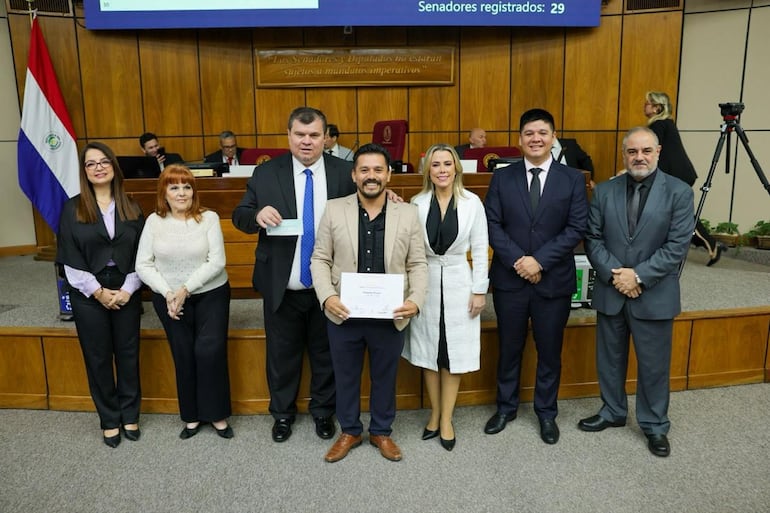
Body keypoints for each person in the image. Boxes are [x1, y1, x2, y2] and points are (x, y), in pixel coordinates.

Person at [231, 107, 356, 444]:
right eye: (300, 135)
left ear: (325, 137)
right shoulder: (266, 174)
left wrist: (388, 197)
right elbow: (238, 215)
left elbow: (368, 204)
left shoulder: (345, 172)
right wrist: (256, 214)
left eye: (314, 135)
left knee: (325, 354)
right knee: (281, 356)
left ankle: (323, 412)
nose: (306, 142)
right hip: (281, 285)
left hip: (328, 286)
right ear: (288, 136)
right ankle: (282, 414)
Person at [578, 126, 694, 458]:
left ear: (658, 152)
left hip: (654, 293)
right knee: (610, 360)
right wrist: (617, 275)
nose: (638, 157)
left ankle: (655, 425)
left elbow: (677, 247)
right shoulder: (604, 191)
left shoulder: (679, 192)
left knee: (654, 365)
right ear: (624, 154)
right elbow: (593, 238)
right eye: (632, 152)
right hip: (612, 290)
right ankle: (613, 411)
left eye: (645, 151)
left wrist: (638, 277)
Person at [310, 143, 428, 463]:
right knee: (345, 375)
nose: (371, 176)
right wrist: (328, 296)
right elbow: (319, 259)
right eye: (364, 170)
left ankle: (381, 431)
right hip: (344, 312)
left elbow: (418, 263)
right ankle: (349, 430)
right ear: (354, 175)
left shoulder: (408, 213)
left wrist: (415, 300)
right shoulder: (334, 209)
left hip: (390, 314)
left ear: (389, 174)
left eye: (378, 169)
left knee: (385, 375)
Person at [483, 108, 588, 444]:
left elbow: (576, 228)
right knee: (509, 347)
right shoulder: (502, 177)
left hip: (553, 280)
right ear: (519, 140)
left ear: (553, 137)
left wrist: (539, 261)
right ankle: (506, 407)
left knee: (549, 350)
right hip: (510, 280)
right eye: (529, 133)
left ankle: (546, 412)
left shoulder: (572, 178)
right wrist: (519, 260)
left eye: (542, 132)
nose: (536, 139)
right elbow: (492, 224)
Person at [56, 142, 145, 448]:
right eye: (91, 163)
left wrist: (127, 289)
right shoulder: (72, 208)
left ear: (114, 167)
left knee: (128, 354)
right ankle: (109, 419)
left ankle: (130, 413)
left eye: (104, 162)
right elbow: (69, 256)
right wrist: (98, 292)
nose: (98, 167)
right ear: (84, 171)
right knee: (97, 357)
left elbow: (142, 254)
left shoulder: (132, 206)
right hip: (88, 291)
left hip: (126, 287)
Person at [135, 164, 233, 440]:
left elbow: (217, 261)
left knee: (209, 352)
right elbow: (143, 264)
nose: (181, 193)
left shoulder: (209, 218)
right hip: (167, 298)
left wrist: (184, 290)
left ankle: (216, 414)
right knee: (184, 354)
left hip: (210, 294)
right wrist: (168, 293)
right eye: (174, 187)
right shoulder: (154, 222)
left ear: (194, 191)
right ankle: (190, 416)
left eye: (187, 186)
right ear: (163, 192)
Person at [402, 143, 488, 452]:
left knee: (452, 355)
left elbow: (480, 249)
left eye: (446, 164)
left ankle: (448, 418)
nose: (441, 169)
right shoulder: (416, 202)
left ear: (456, 169)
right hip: (425, 283)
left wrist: (480, 290)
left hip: (458, 282)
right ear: (428, 170)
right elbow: (411, 251)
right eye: (435, 164)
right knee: (429, 352)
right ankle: (434, 415)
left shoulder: (472, 202)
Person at [644, 91, 723, 265]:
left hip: (676, 176)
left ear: (657, 107)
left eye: (648, 103)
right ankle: (707, 243)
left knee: (682, 214)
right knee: (674, 214)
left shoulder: (658, 125)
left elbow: (652, 154)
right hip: (679, 174)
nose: (645, 106)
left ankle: (711, 244)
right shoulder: (665, 124)